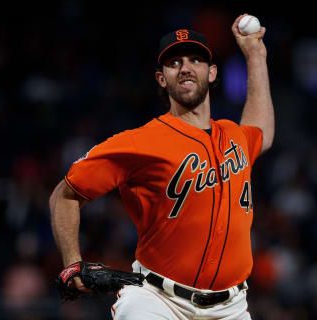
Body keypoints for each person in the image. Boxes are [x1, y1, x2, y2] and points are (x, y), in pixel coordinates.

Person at [49, 13, 274, 320]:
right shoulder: (140, 142)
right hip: (157, 300)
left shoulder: (234, 135)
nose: (185, 67)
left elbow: (262, 129)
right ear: (161, 78)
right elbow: (65, 195)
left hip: (231, 308)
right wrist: (72, 261)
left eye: (195, 59)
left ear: (211, 73)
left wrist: (256, 55)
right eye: (174, 62)